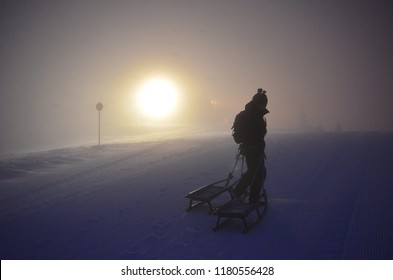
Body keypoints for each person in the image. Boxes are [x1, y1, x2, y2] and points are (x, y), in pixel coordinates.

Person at [232, 88, 269, 204]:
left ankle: (239, 193)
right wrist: (252, 143)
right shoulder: (249, 115)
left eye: (264, 104)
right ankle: (249, 197)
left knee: (256, 172)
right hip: (251, 149)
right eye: (261, 104)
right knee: (257, 173)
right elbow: (243, 135)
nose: (263, 106)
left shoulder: (257, 115)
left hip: (256, 149)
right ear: (256, 103)